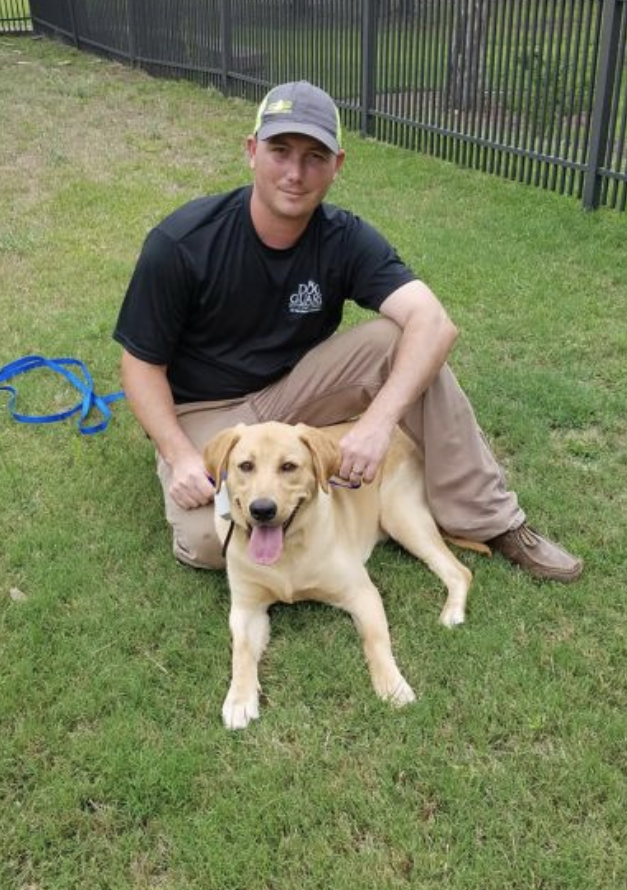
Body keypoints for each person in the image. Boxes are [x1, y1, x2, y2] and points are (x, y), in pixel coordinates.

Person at [113, 80, 582, 583]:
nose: (295, 173)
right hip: (205, 415)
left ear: (337, 165)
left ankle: (492, 518)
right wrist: (180, 456)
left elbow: (435, 323)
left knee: (401, 341)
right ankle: (369, 493)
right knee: (209, 542)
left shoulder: (344, 238)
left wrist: (378, 424)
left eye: (315, 156)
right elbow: (140, 365)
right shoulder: (183, 242)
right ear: (252, 152)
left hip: (292, 396)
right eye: (280, 151)